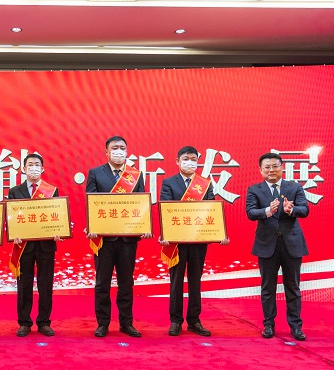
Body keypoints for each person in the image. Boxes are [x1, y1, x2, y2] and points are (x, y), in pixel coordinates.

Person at [158, 146, 229, 337]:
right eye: (186, 158)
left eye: (193, 159)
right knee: (176, 281)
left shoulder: (205, 184)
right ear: (177, 161)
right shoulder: (169, 183)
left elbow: (211, 210)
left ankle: (194, 320)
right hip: (177, 241)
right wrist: (165, 233)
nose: (190, 162)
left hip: (198, 240)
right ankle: (176, 320)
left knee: (195, 281)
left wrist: (219, 233)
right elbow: (165, 209)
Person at [86, 136, 152, 338]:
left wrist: (145, 225)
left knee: (126, 283)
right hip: (104, 239)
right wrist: (92, 226)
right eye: (114, 148)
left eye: (122, 148)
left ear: (127, 151)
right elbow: (91, 203)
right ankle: (103, 323)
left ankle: (126, 323)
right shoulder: (96, 173)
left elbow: (140, 204)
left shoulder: (135, 175)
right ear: (106, 152)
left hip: (127, 239)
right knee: (102, 283)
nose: (119, 151)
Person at [246, 152, 309, 341]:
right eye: (267, 167)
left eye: (275, 166)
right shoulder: (254, 190)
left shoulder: (294, 187)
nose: (271, 170)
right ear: (261, 170)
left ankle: (296, 326)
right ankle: (269, 324)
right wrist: (267, 211)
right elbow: (250, 212)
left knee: (293, 287)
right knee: (268, 287)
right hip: (267, 245)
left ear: (282, 167)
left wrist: (292, 209)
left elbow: (305, 209)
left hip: (292, 244)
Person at [7, 153, 61, 337]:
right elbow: (11, 217)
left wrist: (58, 230)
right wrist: (13, 233)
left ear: (42, 168)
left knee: (45, 284)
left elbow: (57, 215)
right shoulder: (15, 191)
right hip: (24, 245)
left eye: (37, 164)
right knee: (24, 284)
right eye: (30, 164)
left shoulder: (51, 190)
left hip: (46, 244)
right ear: (24, 168)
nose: (34, 167)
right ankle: (24, 322)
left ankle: (44, 322)